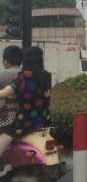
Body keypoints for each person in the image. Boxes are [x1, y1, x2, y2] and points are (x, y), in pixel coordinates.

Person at [0, 46, 51, 175]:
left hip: (23, 123)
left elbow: (4, 93)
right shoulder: (46, 75)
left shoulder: (23, 76)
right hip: (43, 122)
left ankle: (2, 169)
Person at [0, 45, 23, 131]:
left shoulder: (3, 74)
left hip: (4, 118)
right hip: (21, 118)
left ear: (6, 61)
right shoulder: (25, 74)